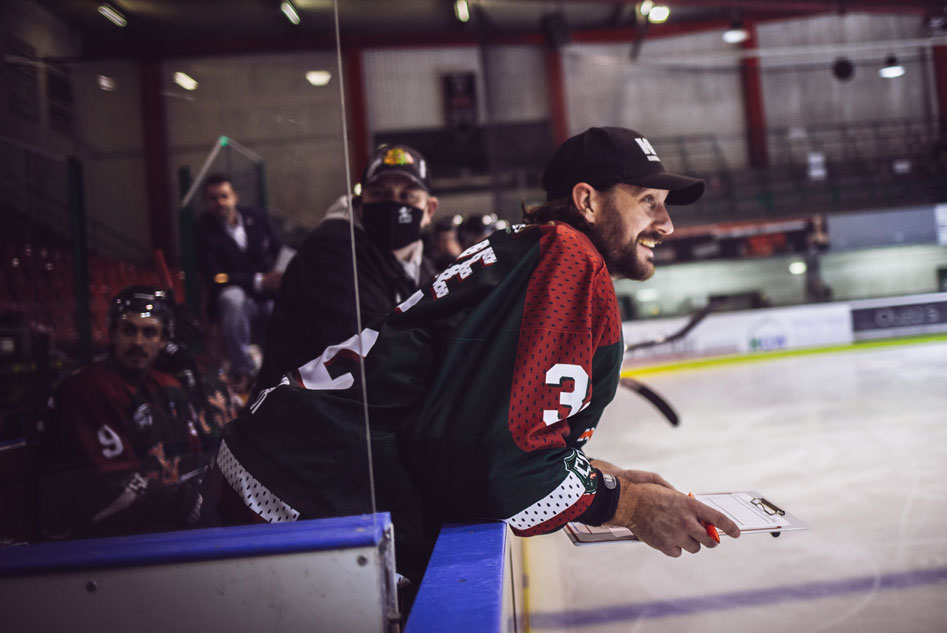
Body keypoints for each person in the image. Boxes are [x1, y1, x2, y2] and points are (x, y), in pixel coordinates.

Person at [204, 126, 740, 588]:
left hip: (283, 466)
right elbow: (490, 463)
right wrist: (627, 505)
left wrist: (601, 475)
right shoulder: (569, 260)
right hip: (308, 490)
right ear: (588, 202)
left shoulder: (527, 248)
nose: (666, 224)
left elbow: (473, 415)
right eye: (647, 201)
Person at [256, 145, 441, 390]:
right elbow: (371, 344)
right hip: (302, 405)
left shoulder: (423, 267)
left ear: (429, 210)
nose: (393, 204)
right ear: (360, 204)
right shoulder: (333, 249)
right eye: (379, 193)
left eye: (407, 196)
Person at [38, 286, 212, 540]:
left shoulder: (166, 387)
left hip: (147, 524)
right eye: (129, 331)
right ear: (112, 334)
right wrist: (188, 497)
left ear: (164, 341)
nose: (138, 342)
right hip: (88, 539)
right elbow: (116, 492)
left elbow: (196, 459)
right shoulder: (87, 390)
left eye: (149, 332)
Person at [194, 174, 284, 391]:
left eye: (224, 196)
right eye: (213, 198)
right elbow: (215, 277)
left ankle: (281, 368)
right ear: (206, 202)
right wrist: (258, 281)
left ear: (235, 196)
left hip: (268, 295)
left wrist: (280, 274)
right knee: (231, 297)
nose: (220, 202)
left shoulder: (257, 216)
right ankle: (243, 370)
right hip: (236, 301)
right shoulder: (202, 230)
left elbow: (279, 248)